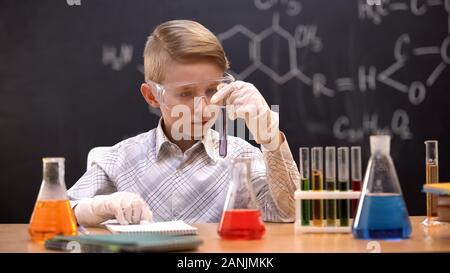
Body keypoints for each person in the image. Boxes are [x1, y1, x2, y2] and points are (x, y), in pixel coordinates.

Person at [68, 20, 300, 226]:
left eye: (212, 90)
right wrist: (98, 207)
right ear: (151, 96)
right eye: (185, 94)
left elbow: (289, 214)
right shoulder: (119, 159)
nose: (203, 108)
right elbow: (60, 212)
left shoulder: (242, 158)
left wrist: (270, 139)